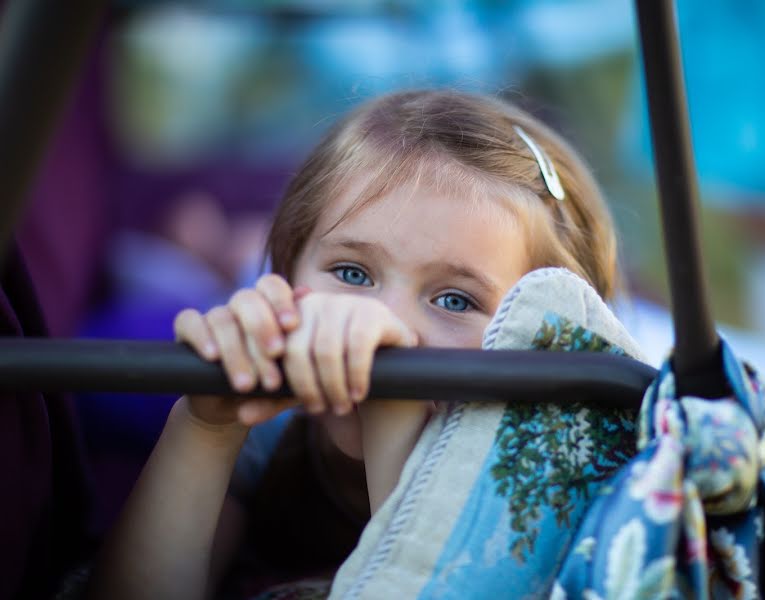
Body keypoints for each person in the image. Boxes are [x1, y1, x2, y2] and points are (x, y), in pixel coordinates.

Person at [87, 89, 618, 599]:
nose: (379, 324)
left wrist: (393, 412)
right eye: (352, 272)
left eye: (455, 300)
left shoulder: (539, 469)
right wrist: (206, 426)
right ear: (286, 270)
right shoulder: (272, 428)